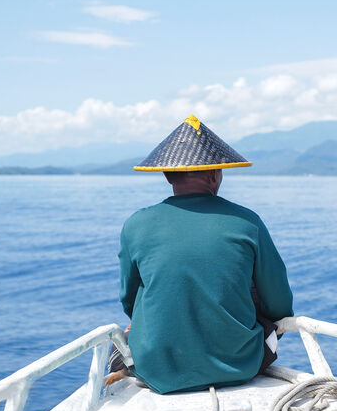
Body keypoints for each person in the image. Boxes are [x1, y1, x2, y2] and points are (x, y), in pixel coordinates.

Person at [112, 115, 293, 393]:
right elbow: (279, 304)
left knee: (132, 328)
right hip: (239, 366)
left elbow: (129, 300)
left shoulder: (136, 224)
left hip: (157, 369)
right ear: (214, 174)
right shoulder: (246, 222)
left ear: (167, 175)